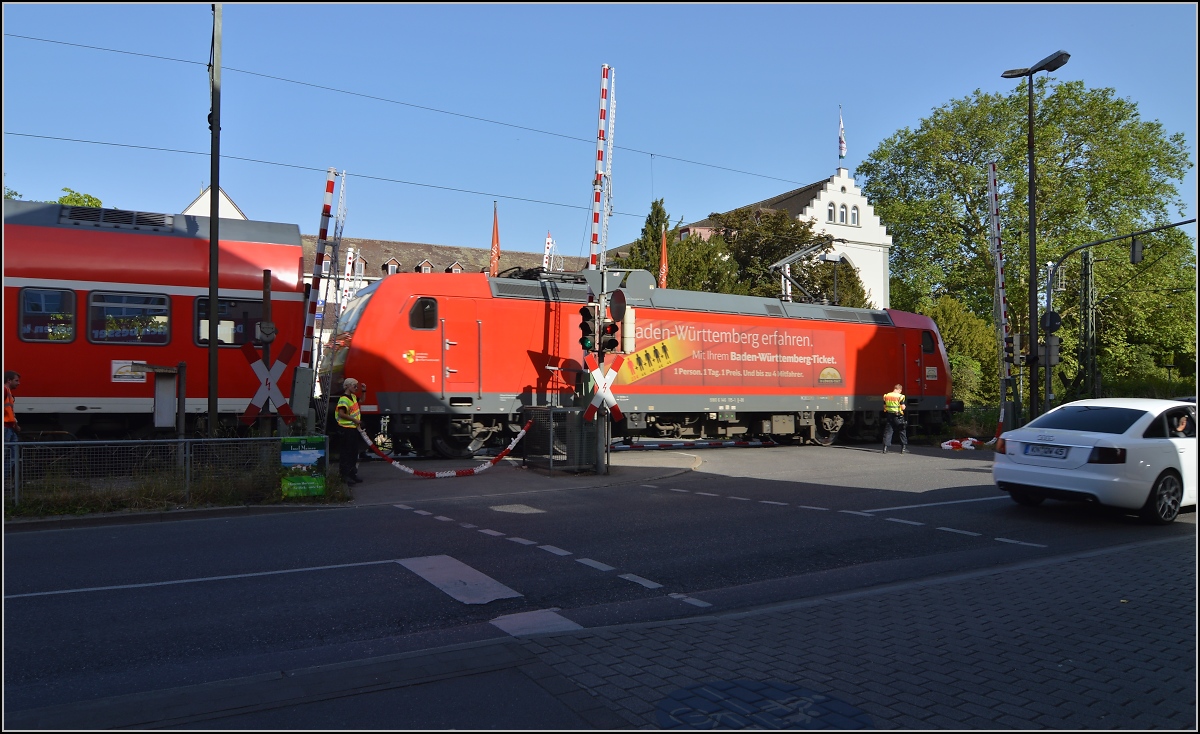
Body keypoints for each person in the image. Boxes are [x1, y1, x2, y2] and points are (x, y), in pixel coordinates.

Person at [336, 377, 367, 484]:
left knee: (353, 452)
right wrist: (354, 420)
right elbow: (341, 413)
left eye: (357, 386)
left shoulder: (353, 397)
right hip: (346, 429)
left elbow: (362, 400)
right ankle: (345, 476)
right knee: (346, 453)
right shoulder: (344, 399)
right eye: (354, 385)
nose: (356, 388)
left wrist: (364, 391)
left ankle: (352, 474)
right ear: (348, 386)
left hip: (352, 429)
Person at [882, 382, 907, 454]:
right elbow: (903, 407)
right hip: (898, 415)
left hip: (889, 415)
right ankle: (903, 448)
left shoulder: (886, 396)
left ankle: (885, 448)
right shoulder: (900, 396)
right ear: (899, 390)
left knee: (888, 431)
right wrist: (904, 407)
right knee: (902, 430)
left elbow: (884, 406)